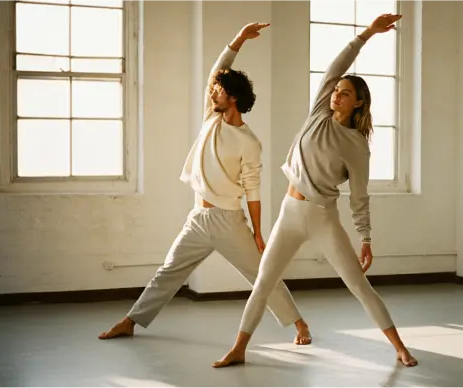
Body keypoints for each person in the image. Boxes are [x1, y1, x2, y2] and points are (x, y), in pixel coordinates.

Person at [213, 14, 417, 368]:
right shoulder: (319, 112)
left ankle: (399, 347)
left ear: (359, 103)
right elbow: (337, 66)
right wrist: (367, 33)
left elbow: (359, 196)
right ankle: (239, 348)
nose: (337, 95)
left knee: (358, 287)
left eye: (345, 93)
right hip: (290, 213)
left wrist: (365, 238)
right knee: (263, 282)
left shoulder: (356, 145)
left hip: (322, 217)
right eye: (336, 90)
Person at [98, 23, 312, 346]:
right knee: (168, 272)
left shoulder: (249, 142)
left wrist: (257, 233)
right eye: (213, 89)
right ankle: (131, 321)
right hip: (198, 219)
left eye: (219, 90)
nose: (212, 92)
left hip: (229, 221)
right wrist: (239, 39)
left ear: (234, 97)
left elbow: (253, 190)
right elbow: (219, 69)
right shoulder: (210, 118)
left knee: (262, 275)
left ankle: (299, 324)